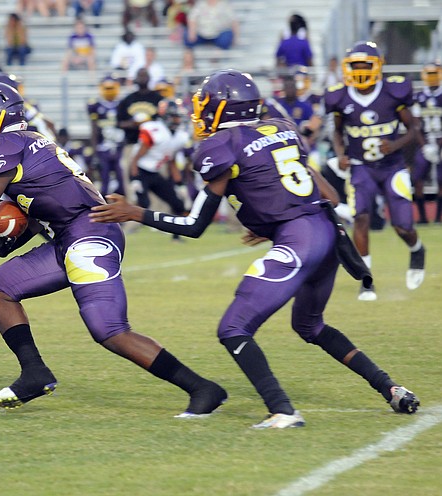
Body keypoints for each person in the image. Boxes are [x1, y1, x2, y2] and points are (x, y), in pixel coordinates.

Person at [90, 69, 420, 428]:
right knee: (310, 326)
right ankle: (391, 388)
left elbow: (194, 226)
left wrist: (135, 212)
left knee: (233, 328)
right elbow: (330, 196)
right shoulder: (282, 128)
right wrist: (279, 219)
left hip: (301, 239)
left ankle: (283, 410)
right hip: (326, 234)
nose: (199, 113)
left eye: (205, 106)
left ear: (222, 109)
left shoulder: (221, 147)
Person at [0, 81, 227, 415]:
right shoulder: (30, 140)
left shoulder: (5, 145)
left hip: (89, 234)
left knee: (110, 331)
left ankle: (202, 388)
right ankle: (35, 373)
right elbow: (47, 204)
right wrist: (19, 229)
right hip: (72, 234)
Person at [325, 41, 425, 301]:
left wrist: (395, 145)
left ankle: (417, 249)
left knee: (403, 226)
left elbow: (414, 129)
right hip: (361, 167)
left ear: (377, 66)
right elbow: (337, 130)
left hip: (392, 167)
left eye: (364, 65)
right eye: (354, 65)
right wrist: (340, 154)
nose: (359, 70)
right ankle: (366, 280)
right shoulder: (340, 96)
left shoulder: (393, 91)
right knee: (361, 218)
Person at [128, 100, 189, 240]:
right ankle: (122, 228)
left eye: (179, 116)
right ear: (166, 116)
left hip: (155, 172)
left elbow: (171, 160)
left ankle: (176, 235)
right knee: (143, 204)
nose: (178, 120)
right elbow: (136, 157)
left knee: (177, 203)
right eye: (175, 116)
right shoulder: (155, 130)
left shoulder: (179, 136)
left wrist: (179, 183)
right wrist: (135, 177)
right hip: (140, 170)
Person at [410, 62, 442, 224]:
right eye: (428, 74)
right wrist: (424, 146)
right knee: (418, 179)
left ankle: (438, 217)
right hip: (425, 143)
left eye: (434, 74)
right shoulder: (419, 97)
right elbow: (415, 125)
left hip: (440, 142)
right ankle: (422, 217)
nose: (431, 78)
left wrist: (439, 145)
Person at [87, 75, 126, 197]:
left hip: (119, 147)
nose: (109, 91)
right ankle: (103, 208)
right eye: (107, 88)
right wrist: (94, 152)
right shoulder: (95, 105)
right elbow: (94, 129)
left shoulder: (122, 104)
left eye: (111, 88)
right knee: (105, 181)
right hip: (103, 148)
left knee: (122, 181)